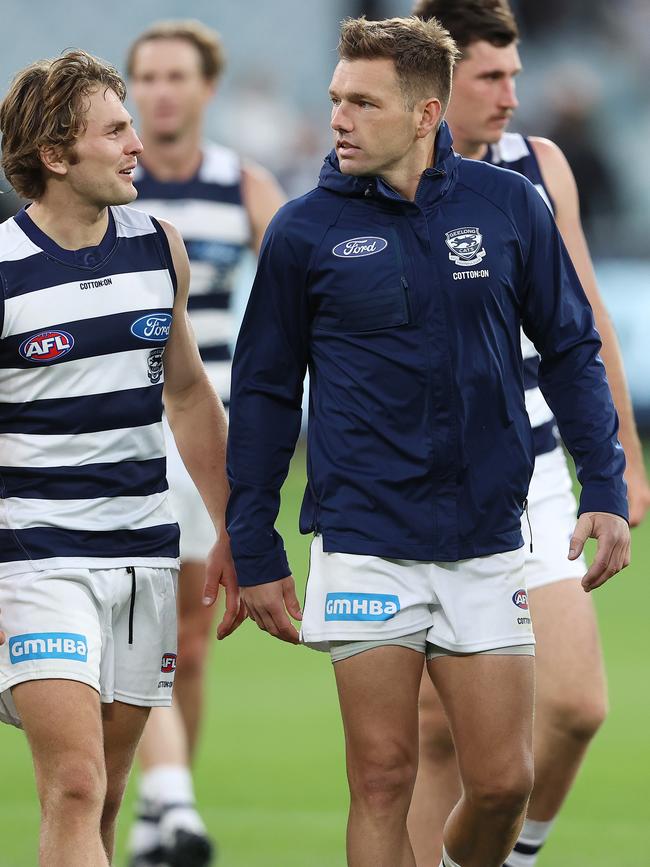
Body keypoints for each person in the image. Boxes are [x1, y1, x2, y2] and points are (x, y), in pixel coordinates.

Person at [222, 16, 630, 867]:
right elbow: (262, 396)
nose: (337, 117)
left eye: (361, 102)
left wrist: (603, 485)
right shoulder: (302, 232)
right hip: (366, 537)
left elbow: (571, 346)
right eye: (335, 98)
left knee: (501, 785)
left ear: (423, 114)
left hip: (487, 536)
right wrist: (254, 543)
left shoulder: (510, 204)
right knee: (381, 775)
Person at [407, 3, 650, 865]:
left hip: (539, 467)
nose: (514, 93)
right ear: (436, 87)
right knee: (436, 732)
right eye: (492, 77)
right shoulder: (384, 178)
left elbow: (582, 319)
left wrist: (616, 457)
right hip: (428, 479)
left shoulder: (539, 163)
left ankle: (510, 854)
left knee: (578, 704)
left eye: (516, 73)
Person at [0, 50, 243, 867]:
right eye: (115, 129)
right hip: (35, 563)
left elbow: (187, 397)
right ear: (56, 155)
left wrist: (235, 523)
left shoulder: (157, 249)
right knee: (71, 783)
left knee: (102, 792)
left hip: (144, 555)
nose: (137, 142)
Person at [124, 20, 285, 866]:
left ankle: (162, 810)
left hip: (209, 431)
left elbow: (301, 289)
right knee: (137, 626)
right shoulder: (111, 185)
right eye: (144, 76)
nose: (159, 91)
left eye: (175, 75)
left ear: (206, 88)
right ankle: (171, 800)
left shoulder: (242, 184)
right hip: (124, 428)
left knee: (189, 644)